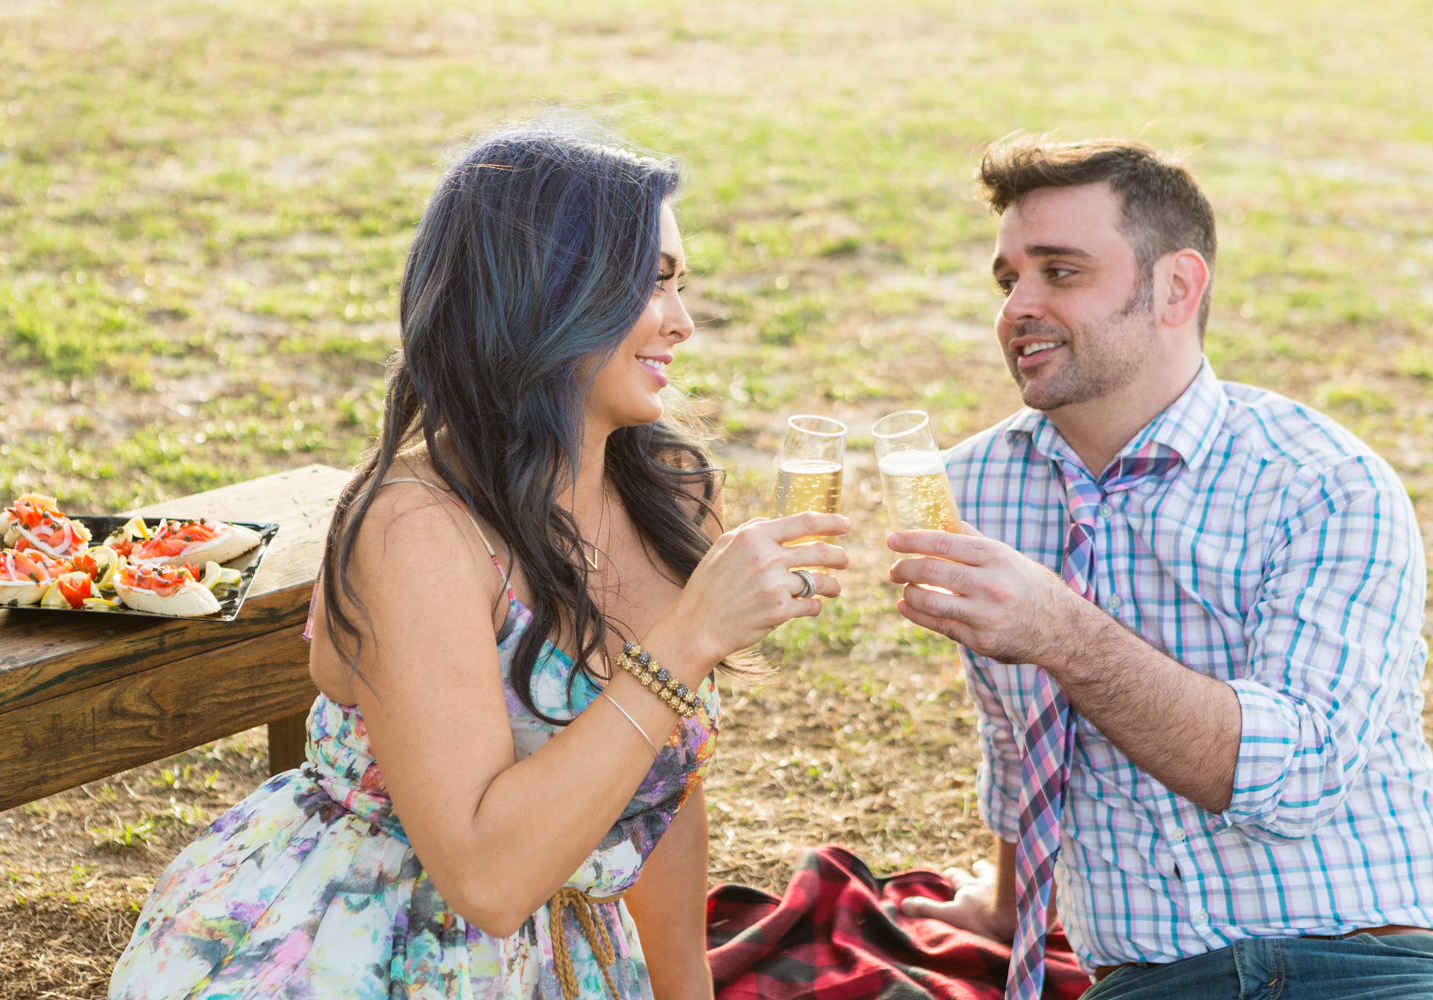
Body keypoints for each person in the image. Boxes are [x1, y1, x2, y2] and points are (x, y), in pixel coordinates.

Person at [108, 122, 850, 1000]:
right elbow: (486, 883)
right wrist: (687, 641)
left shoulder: (672, 491)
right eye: (652, 285)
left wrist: (685, 989)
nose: (683, 324)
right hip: (361, 945)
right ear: (547, 294)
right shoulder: (416, 527)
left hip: (579, 953)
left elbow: (660, 793)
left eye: (680, 284)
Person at [888, 136, 1433, 999]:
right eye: (1007, 280)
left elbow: (1292, 778)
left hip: (1366, 958)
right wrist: (1003, 898)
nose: (1017, 306)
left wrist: (1061, 631)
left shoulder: (1325, 481)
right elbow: (1014, 728)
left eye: (1060, 272)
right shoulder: (972, 487)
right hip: (1152, 979)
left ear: (1177, 287)